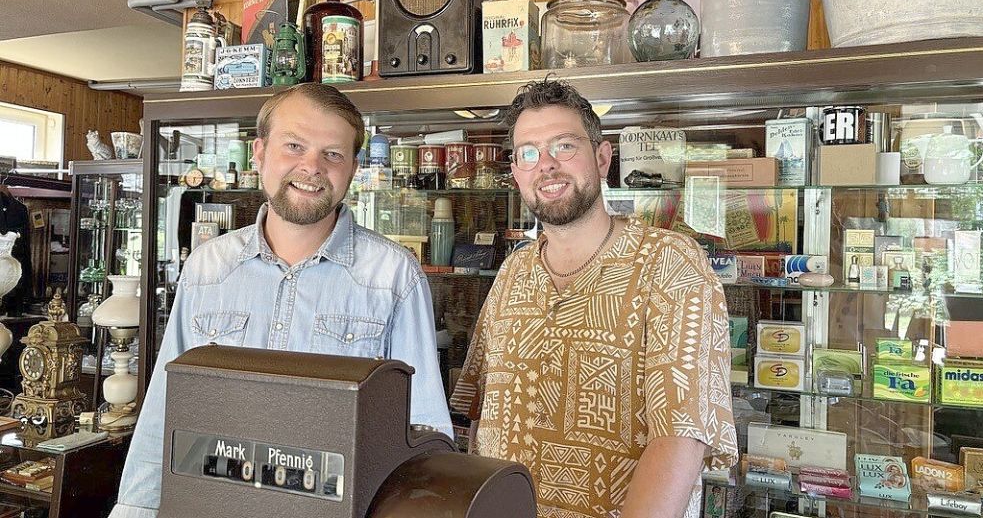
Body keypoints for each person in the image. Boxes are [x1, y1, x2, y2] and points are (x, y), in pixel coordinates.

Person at [111, 83, 452, 518]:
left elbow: (422, 434)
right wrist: (136, 509)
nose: (311, 167)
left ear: (353, 168)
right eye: (294, 145)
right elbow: (164, 407)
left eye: (333, 154)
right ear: (259, 152)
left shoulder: (393, 276)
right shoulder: (207, 268)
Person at [450, 79, 738, 518]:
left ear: (602, 158)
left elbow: (680, 436)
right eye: (528, 153)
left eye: (564, 146)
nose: (545, 165)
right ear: (516, 173)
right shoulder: (514, 270)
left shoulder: (669, 262)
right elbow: (479, 414)